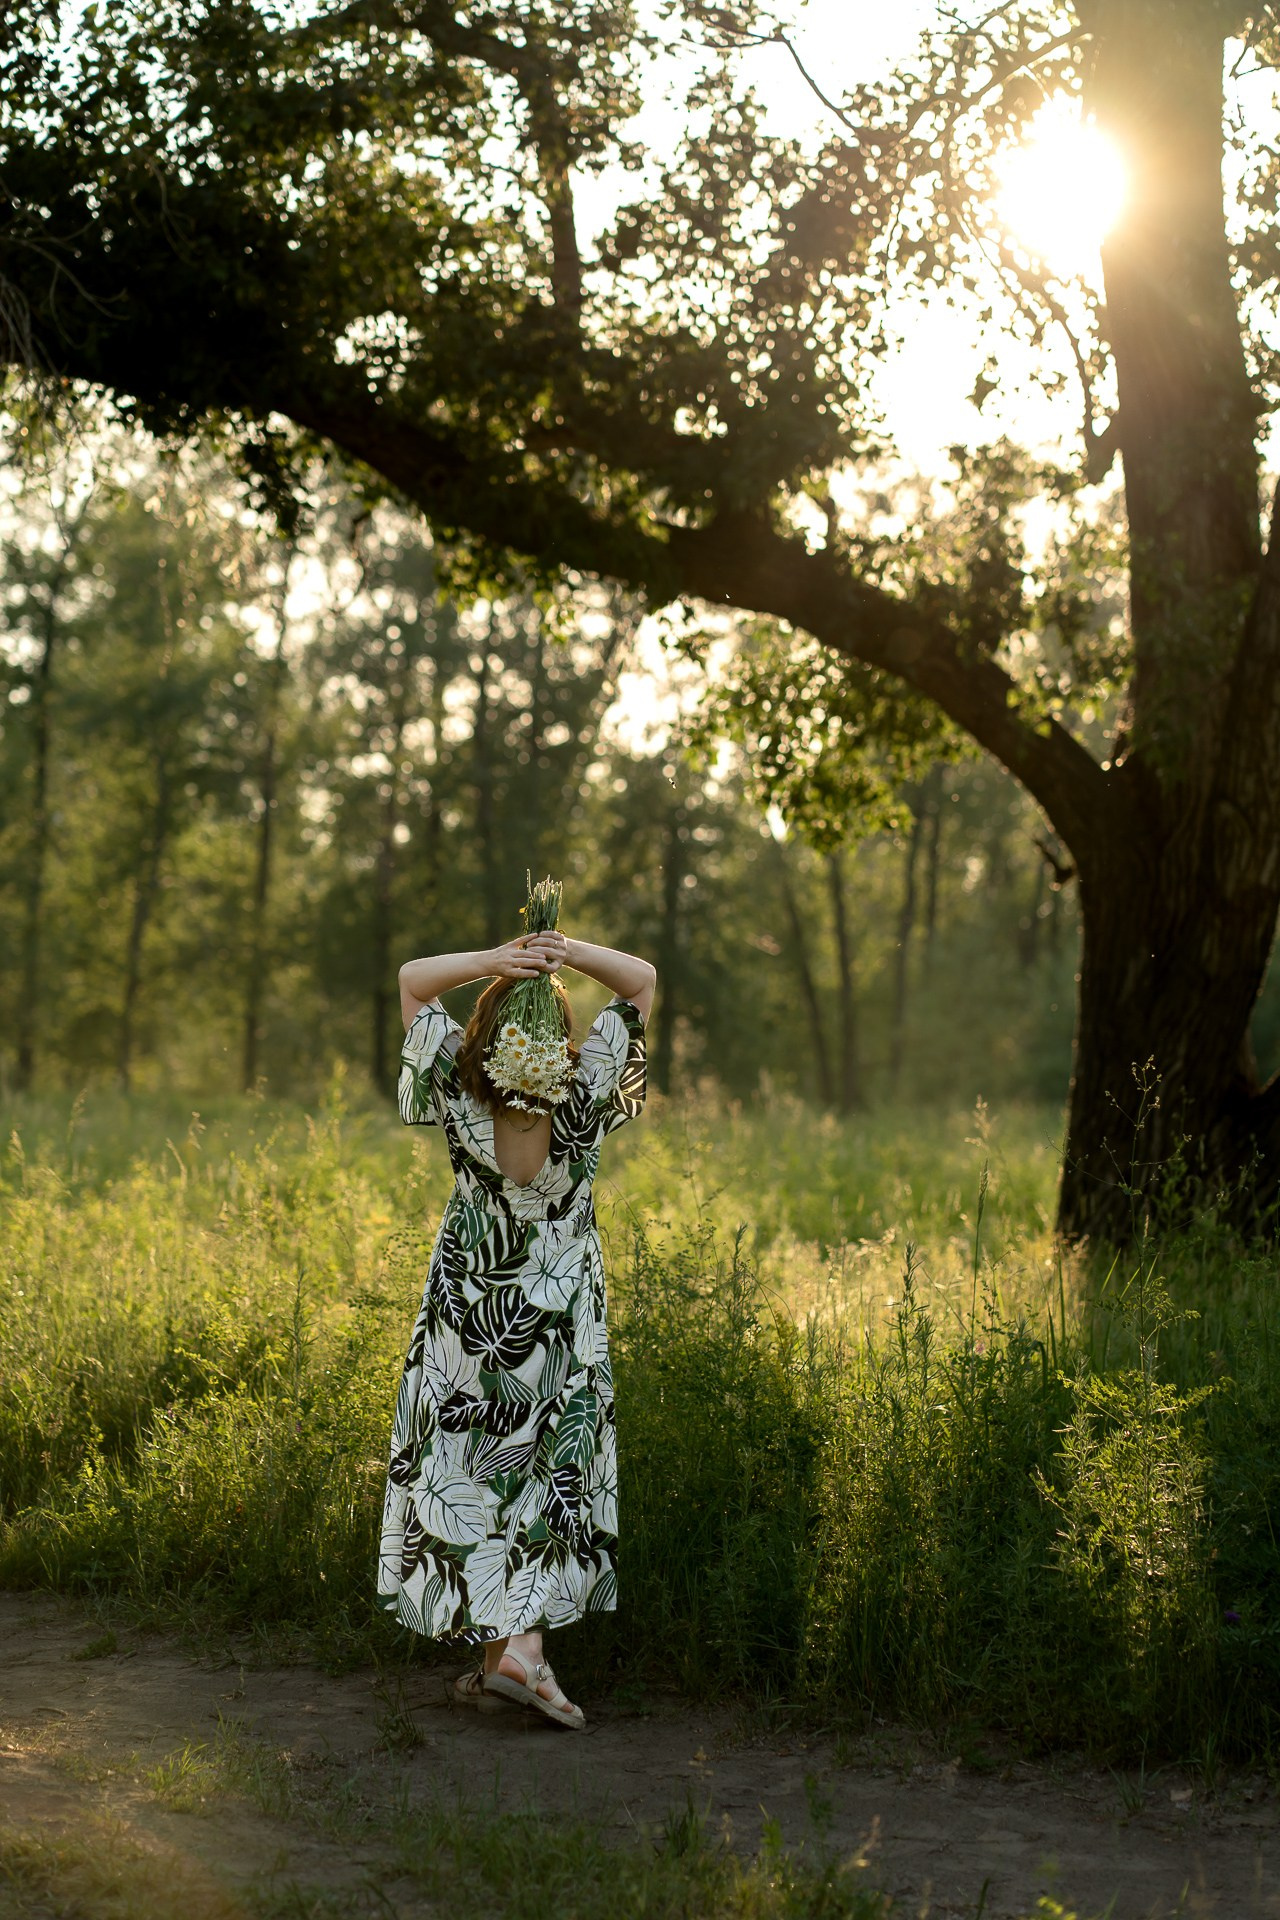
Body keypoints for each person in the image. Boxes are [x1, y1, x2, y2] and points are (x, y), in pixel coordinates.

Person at [377, 924, 656, 1732]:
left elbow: (410, 980)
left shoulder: (461, 1090)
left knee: (474, 1466)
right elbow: (639, 984)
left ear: (486, 1034)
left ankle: (512, 1651)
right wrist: (568, 954)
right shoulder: (587, 1082)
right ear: (556, 1036)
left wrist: (493, 962)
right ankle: (518, 1652)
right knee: (545, 1465)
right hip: (562, 1311)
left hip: (470, 1306)